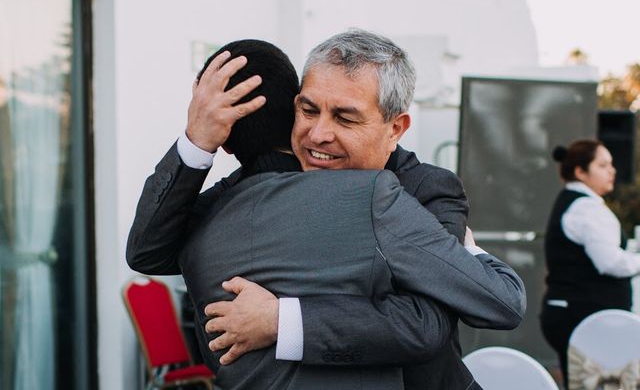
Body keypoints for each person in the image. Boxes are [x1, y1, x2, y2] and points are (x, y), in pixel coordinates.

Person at [127, 33, 524, 389]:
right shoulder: (251, 190)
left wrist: (281, 321)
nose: (318, 135)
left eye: (345, 118)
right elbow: (149, 251)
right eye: (309, 110)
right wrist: (198, 142)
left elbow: (425, 325)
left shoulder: (427, 188)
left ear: (396, 128)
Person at [540, 139, 640, 387]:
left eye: (612, 164)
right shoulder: (586, 208)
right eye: (603, 165)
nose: (612, 170)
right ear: (580, 172)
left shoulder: (575, 202)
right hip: (582, 317)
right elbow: (610, 262)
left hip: (570, 313)